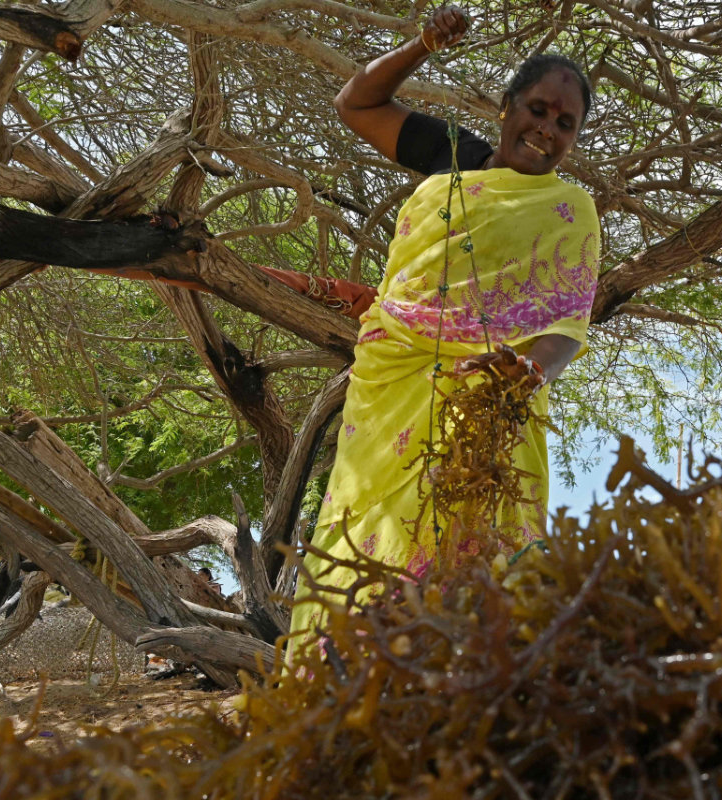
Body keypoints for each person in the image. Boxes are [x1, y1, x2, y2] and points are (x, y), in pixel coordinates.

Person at [289, 6, 601, 648]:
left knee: (471, 569)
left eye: (565, 124)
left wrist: (529, 371)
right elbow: (357, 103)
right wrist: (422, 45)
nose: (547, 130)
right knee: (363, 539)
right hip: (390, 387)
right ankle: (335, 690)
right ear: (509, 106)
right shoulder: (450, 154)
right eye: (539, 110)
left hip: (487, 405)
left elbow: (569, 324)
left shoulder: (572, 213)